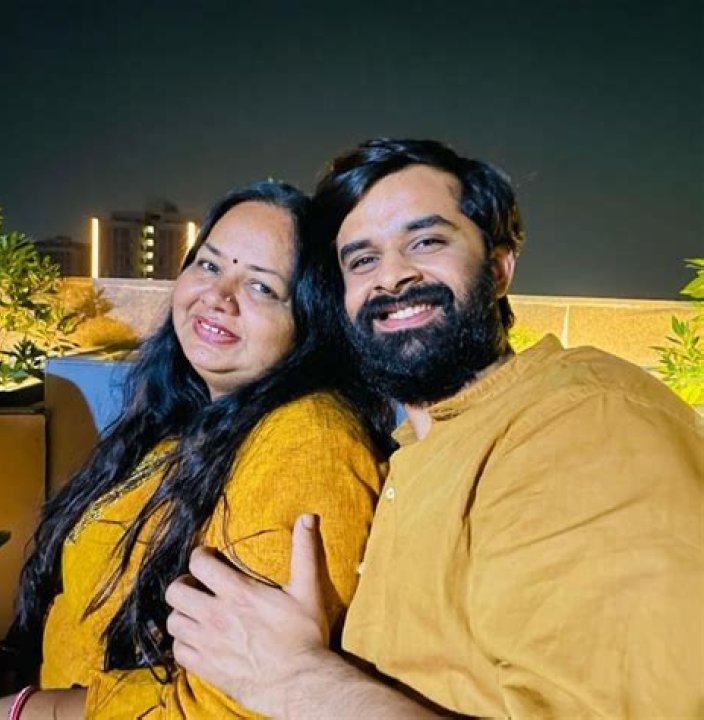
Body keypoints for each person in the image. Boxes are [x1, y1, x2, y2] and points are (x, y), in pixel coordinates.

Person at [165, 139, 704, 719]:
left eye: (426, 242)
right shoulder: (414, 451)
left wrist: (297, 680)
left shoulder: (587, 422)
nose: (393, 276)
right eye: (362, 260)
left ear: (498, 268)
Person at [0, 181, 392, 719]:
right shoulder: (191, 420)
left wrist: (22, 711)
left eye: (262, 287)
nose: (218, 296)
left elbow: (233, 704)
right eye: (208, 264)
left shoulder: (309, 440)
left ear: (313, 319)